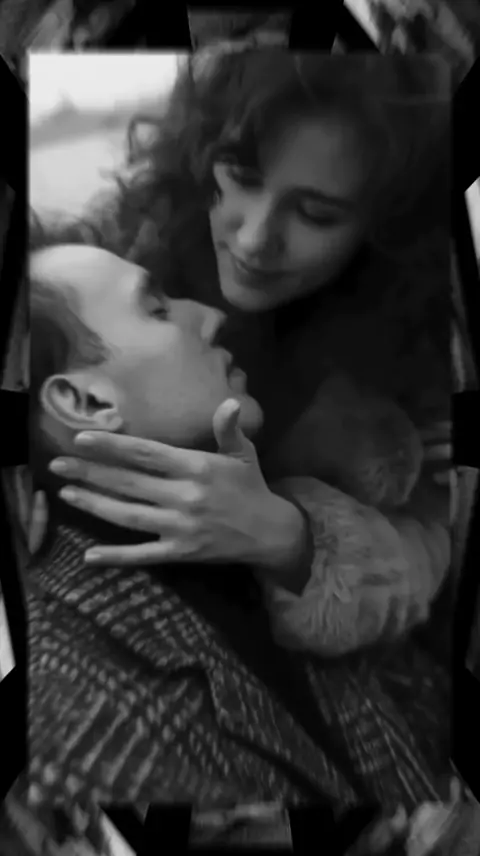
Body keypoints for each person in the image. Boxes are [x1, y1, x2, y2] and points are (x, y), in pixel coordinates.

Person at [24, 231, 452, 830]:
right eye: (158, 309)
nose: (212, 315)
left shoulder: (248, 499)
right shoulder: (77, 713)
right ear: (87, 402)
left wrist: (297, 545)